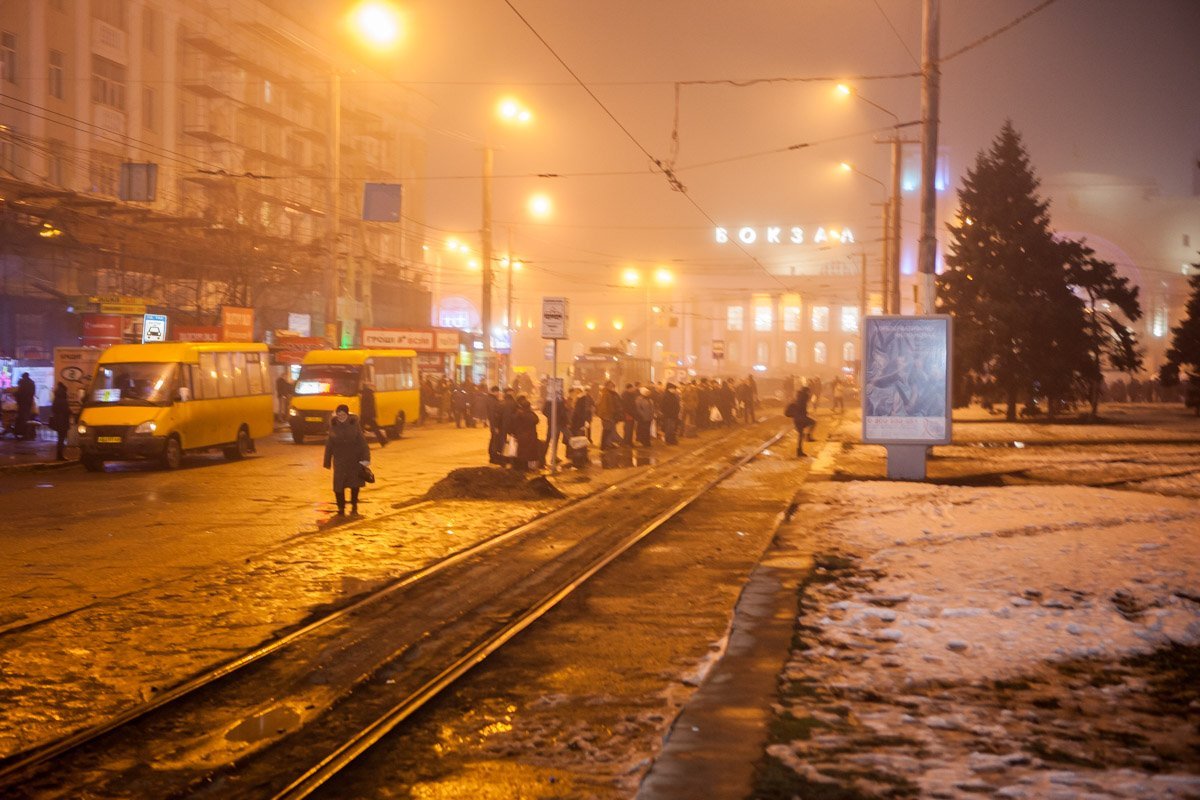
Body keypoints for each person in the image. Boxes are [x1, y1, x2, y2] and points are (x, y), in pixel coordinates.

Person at [323, 404, 371, 515]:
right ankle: (341, 508)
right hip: (339, 460)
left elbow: (362, 442)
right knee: (338, 485)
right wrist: (327, 460)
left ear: (347, 414)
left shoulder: (354, 424)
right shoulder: (333, 425)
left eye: (343, 414)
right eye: (338, 414)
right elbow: (329, 444)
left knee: (355, 484)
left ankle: (354, 505)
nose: (340, 416)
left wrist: (366, 459)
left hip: (354, 459)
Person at [509, 395, 540, 472]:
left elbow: (513, 425)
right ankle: (531, 468)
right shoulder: (531, 415)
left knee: (521, 452)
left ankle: (522, 468)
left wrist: (514, 434)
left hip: (521, 436)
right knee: (531, 453)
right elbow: (536, 420)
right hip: (531, 437)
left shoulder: (517, 414)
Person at [784, 387, 815, 457]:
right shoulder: (804, 397)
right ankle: (808, 437)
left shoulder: (798, 397)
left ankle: (799, 451)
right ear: (806, 392)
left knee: (801, 435)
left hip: (796, 419)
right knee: (813, 422)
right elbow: (802, 408)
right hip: (801, 418)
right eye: (808, 392)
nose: (809, 393)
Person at [358, 381, 388, 447]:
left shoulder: (364, 393)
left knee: (360, 429)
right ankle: (383, 441)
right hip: (369, 414)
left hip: (365, 414)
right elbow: (372, 405)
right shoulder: (369, 393)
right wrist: (374, 415)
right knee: (375, 428)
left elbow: (366, 405)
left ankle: (358, 443)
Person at [596, 380, 621, 450]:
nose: (612, 387)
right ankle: (603, 446)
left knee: (609, 430)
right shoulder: (606, 394)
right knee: (606, 430)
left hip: (610, 415)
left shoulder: (610, 393)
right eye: (611, 386)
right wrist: (606, 416)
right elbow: (604, 406)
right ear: (607, 386)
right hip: (607, 416)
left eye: (613, 386)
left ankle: (606, 444)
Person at [50, 382, 71, 460]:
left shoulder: (56, 399)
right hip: (63, 421)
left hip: (57, 421)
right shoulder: (63, 400)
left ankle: (59, 455)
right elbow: (67, 411)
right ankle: (60, 455)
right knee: (62, 439)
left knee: (60, 438)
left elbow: (53, 409)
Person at [486, 385, 505, 465]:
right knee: (494, 440)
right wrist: (495, 426)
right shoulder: (492, 400)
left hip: (493, 424)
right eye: (497, 392)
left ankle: (492, 455)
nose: (498, 393)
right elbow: (493, 414)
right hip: (494, 424)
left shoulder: (492, 399)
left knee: (493, 439)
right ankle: (493, 457)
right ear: (494, 392)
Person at [14, 371, 36, 440]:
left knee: (22, 418)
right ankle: (27, 433)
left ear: (23, 376)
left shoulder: (23, 382)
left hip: (22, 403)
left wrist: (15, 395)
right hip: (29, 403)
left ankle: (22, 433)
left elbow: (20, 392)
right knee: (27, 417)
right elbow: (33, 393)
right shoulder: (32, 383)